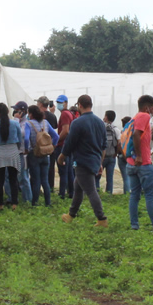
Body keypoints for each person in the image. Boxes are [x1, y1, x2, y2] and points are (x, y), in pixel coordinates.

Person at [60, 95, 109, 227]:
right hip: (94, 160)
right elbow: (104, 146)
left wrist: (62, 156)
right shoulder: (100, 122)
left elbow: (70, 143)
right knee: (78, 188)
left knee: (91, 191)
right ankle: (71, 215)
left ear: (80, 105)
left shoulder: (77, 122)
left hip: (82, 161)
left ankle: (102, 219)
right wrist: (100, 162)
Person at [126, 95, 153, 234]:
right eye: (152, 108)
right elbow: (137, 135)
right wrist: (140, 156)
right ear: (146, 107)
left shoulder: (134, 117)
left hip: (131, 163)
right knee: (150, 195)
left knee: (134, 195)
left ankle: (134, 225)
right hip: (143, 163)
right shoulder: (144, 116)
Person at [0, 103, 23, 209]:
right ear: (8, 112)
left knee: (0, 179)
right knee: (13, 179)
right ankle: (14, 203)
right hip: (13, 151)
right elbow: (19, 139)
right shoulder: (15, 124)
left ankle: (1, 204)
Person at [26, 106, 59, 207]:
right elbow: (56, 136)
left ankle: (35, 203)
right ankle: (48, 203)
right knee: (45, 180)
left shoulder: (29, 124)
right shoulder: (46, 123)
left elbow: (26, 139)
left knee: (36, 180)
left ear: (31, 114)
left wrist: (27, 149)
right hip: (45, 155)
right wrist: (51, 146)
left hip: (34, 154)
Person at [12, 102, 33, 205]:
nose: (15, 112)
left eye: (17, 110)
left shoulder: (26, 123)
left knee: (23, 177)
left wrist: (16, 120)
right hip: (18, 152)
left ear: (23, 111)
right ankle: (26, 198)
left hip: (23, 153)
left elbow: (17, 133)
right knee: (21, 177)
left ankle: (28, 200)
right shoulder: (19, 122)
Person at [54, 95, 75, 199]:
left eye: (61, 102)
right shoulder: (69, 113)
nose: (59, 104)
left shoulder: (64, 115)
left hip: (62, 146)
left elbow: (65, 130)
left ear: (66, 103)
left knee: (63, 171)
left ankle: (62, 194)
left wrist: (56, 141)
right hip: (68, 146)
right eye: (58, 102)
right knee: (69, 171)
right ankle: (71, 193)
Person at [98, 110, 120, 193]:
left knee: (97, 176)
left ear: (106, 117)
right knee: (110, 178)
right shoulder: (115, 129)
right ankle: (109, 194)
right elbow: (119, 143)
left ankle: (97, 192)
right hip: (111, 156)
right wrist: (116, 153)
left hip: (101, 156)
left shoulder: (101, 128)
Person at [118, 116, 132, 195]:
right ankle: (130, 192)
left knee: (125, 177)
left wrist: (123, 155)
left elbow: (119, 145)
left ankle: (126, 193)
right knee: (131, 176)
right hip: (130, 156)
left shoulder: (121, 132)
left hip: (121, 156)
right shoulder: (131, 133)